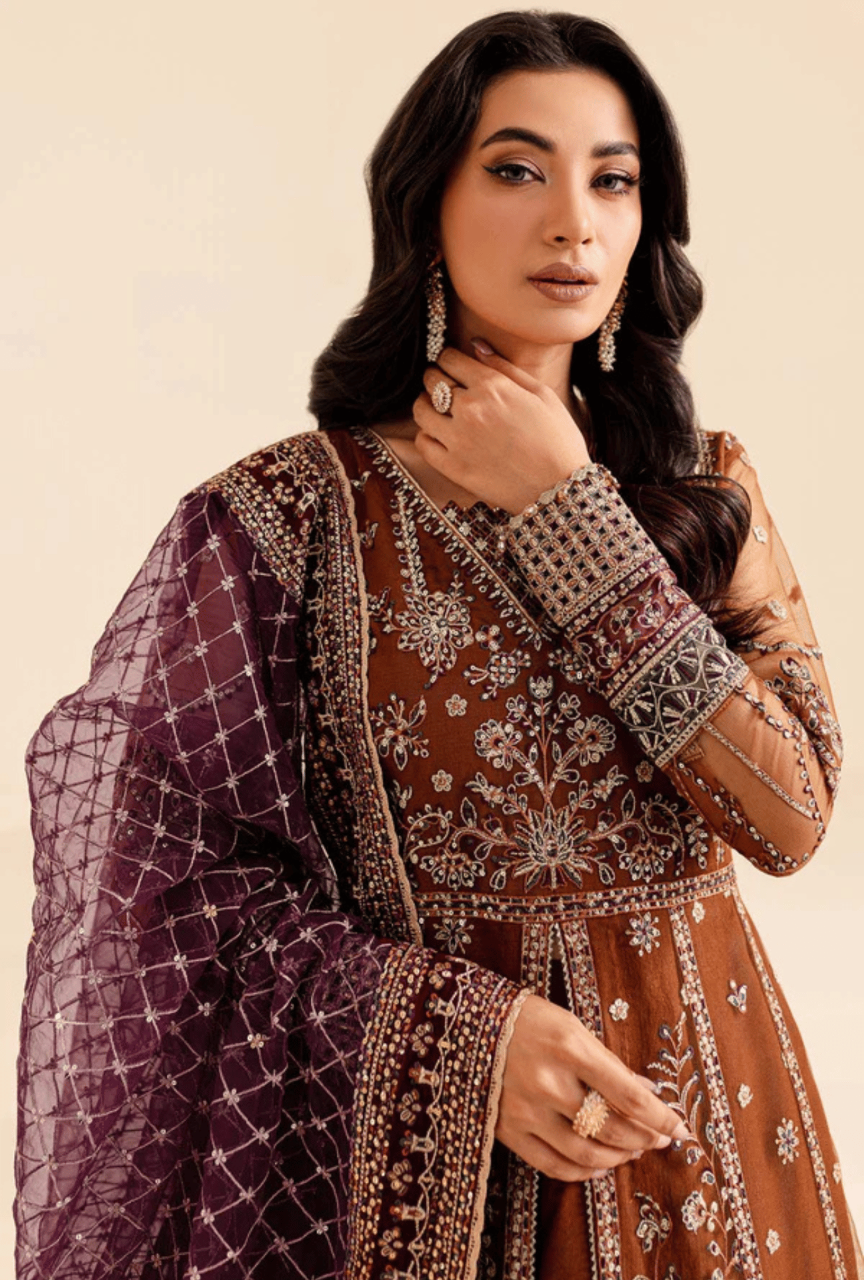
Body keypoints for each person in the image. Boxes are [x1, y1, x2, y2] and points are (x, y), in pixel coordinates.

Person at [13, 10, 861, 1279]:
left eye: (613, 179)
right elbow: (166, 884)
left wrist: (577, 517)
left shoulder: (704, 489)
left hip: (720, 1165)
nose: (574, 221)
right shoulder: (282, 520)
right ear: (426, 202)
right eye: (518, 168)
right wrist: (466, 1035)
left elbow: (791, 813)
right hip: (438, 1192)